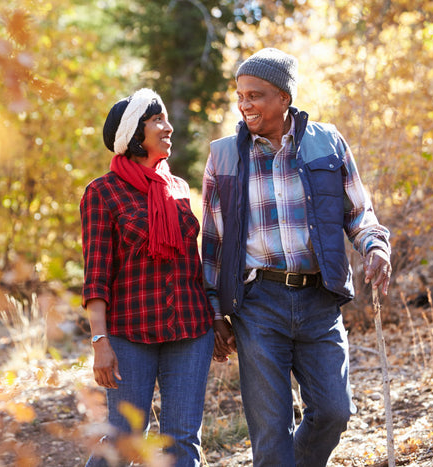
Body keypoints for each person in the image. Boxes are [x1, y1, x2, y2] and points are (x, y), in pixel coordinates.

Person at [201, 48, 392, 466]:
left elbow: (358, 212)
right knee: (271, 433)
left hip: (319, 298)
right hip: (258, 304)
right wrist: (215, 311)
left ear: (284, 97)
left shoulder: (328, 142)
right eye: (240, 95)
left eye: (255, 94)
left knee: (333, 412)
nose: (244, 104)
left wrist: (375, 246)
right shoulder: (224, 155)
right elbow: (212, 243)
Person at [80, 88, 214, 467]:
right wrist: (100, 340)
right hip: (130, 334)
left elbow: (195, 262)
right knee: (124, 440)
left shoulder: (177, 188)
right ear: (134, 135)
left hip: (190, 330)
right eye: (157, 120)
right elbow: (96, 276)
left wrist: (216, 318)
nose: (168, 127)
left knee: (182, 442)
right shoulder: (101, 193)